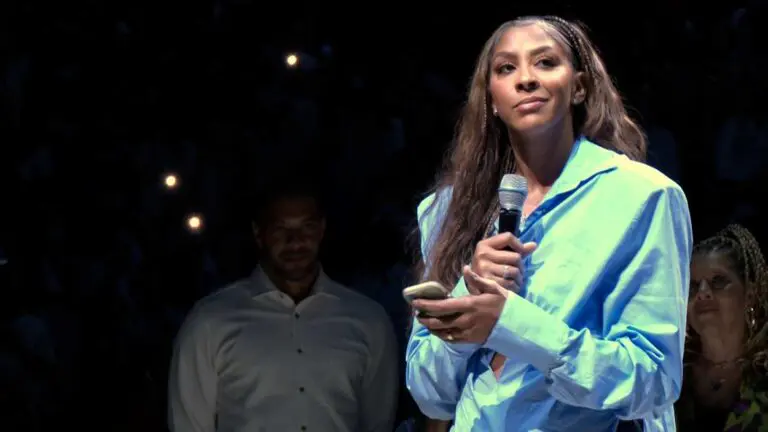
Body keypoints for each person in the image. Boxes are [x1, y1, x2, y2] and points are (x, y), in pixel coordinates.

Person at [405, 15, 693, 431]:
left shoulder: (642, 197)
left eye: (545, 62)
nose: (525, 79)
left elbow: (652, 381)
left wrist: (513, 326)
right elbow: (430, 394)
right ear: (491, 99)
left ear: (578, 86)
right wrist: (468, 292)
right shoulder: (447, 210)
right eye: (506, 68)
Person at [168, 181, 399, 432]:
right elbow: (188, 425)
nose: (295, 241)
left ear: (321, 230)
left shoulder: (368, 319)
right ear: (259, 233)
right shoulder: (209, 322)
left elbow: (379, 423)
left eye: (306, 227)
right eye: (281, 229)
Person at [676, 224, 768, 431]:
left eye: (718, 281)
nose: (703, 293)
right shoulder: (669, 372)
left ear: (750, 295)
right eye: (692, 286)